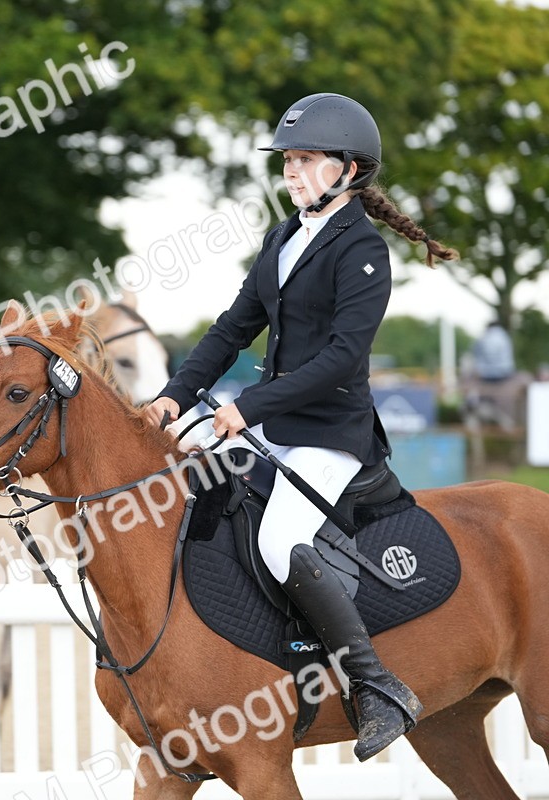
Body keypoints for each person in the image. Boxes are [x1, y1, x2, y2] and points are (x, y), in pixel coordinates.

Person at [145, 93, 458, 762]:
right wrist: (174, 397)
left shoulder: (364, 252)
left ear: (347, 170)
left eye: (305, 160)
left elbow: (342, 356)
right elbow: (233, 328)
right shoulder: (283, 238)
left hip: (330, 436)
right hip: (274, 424)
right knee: (196, 490)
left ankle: (377, 688)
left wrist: (244, 410)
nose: (290, 172)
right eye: (287, 161)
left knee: (283, 537)